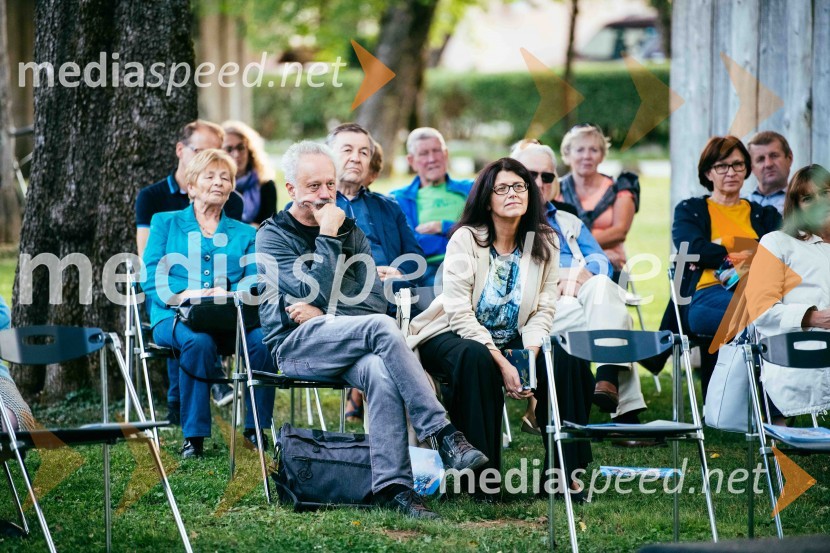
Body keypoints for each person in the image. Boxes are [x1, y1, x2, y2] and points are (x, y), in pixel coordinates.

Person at [256, 141, 487, 519]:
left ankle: (394, 488)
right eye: (314, 186)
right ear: (291, 189)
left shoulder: (351, 230)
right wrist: (327, 236)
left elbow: (372, 302)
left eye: (330, 184)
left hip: (345, 340)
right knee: (381, 327)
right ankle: (442, 433)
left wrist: (324, 312)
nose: (325, 194)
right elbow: (311, 291)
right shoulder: (272, 236)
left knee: (381, 370)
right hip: (296, 347)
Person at [407, 158, 572, 499]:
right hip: (451, 333)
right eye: (502, 188)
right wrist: (502, 362)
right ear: (486, 199)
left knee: (566, 361)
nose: (513, 193)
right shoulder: (466, 239)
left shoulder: (546, 241)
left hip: (513, 336)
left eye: (519, 186)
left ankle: (563, 476)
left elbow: (544, 308)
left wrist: (528, 359)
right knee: (476, 357)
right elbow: (459, 313)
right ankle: (482, 482)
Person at [142, 149, 276, 459]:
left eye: (225, 177)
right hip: (174, 315)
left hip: (230, 317)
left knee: (262, 341)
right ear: (191, 186)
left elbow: (255, 277)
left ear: (231, 189)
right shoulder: (165, 223)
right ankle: (194, 436)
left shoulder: (246, 233)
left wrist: (228, 290)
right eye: (210, 176)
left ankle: (256, 429)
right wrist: (186, 294)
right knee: (198, 342)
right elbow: (150, 273)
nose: (218, 182)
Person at [512, 142, 647, 431]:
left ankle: (606, 379)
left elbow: (601, 262)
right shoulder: (508, 220)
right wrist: (559, 276)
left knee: (601, 287)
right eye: (531, 175)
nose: (539, 182)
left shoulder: (567, 220)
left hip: (580, 296)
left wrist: (582, 276)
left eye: (547, 176)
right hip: (535, 308)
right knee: (617, 318)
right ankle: (623, 407)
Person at [136, 120, 241, 416]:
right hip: (169, 290)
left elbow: (231, 256)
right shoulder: (154, 199)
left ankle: (181, 404)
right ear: (181, 150)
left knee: (203, 316)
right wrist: (184, 291)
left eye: (217, 152)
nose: (210, 159)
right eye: (201, 151)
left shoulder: (229, 200)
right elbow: (147, 258)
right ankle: (201, 389)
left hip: (215, 292)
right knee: (187, 319)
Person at [326, 123, 425, 423]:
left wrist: (397, 271)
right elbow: (309, 267)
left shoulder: (387, 207)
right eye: (347, 150)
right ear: (328, 156)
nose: (356, 158)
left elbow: (416, 260)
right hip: (346, 305)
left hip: (395, 298)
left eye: (363, 152)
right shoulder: (313, 207)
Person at [672, 135, 781, 395]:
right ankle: (761, 407)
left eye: (737, 164)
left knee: (775, 315)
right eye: (721, 166)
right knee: (764, 317)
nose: (730, 172)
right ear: (708, 172)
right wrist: (753, 249)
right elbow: (693, 250)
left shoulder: (765, 215)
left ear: (746, 169)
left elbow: (780, 252)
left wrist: (724, 243)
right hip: (705, 295)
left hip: (759, 292)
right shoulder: (691, 210)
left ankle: (769, 409)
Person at [745, 164, 830, 424]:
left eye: (825, 193)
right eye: (808, 198)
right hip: (799, 353)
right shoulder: (777, 242)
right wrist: (813, 318)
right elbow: (760, 310)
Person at [391, 128, 473, 285]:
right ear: (411, 161)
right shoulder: (398, 199)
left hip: (473, 261)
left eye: (436, 151)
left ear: (446, 154)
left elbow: (483, 229)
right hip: (429, 269)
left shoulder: (471, 188)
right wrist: (461, 238)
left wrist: (442, 227)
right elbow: (412, 243)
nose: (432, 159)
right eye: (423, 154)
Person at [557, 124, 639, 282]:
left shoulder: (620, 188)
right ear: (567, 155)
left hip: (611, 265)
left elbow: (620, 231)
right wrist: (592, 252)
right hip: (567, 266)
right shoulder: (556, 189)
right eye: (580, 150)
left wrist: (596, 256)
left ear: (602, 155)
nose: (587, 156)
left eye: (594, 150)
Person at [222, 121, 277, 227]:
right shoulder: (216, 185)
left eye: (240, 147)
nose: (236, 154)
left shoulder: (265, 185)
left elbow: (271, 227)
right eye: (229, 149)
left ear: (250, 151)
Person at [745, 131, 794, 214]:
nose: (768, 164)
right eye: (760, 159)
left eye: (774, 156)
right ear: (751, 167)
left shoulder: (803, 204)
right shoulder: (739, 205)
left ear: (789, 158)